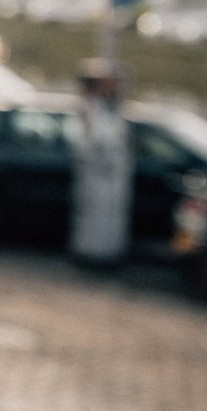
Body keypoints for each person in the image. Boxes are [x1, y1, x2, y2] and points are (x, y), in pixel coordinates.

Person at [69, 58, 133, 267]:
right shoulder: (90, 107)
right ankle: (91, 255)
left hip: (110, 175)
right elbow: (96, 138)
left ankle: (105, 254)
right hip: (96, 170)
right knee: (91, 216)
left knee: (108, 217)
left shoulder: (111, 108)